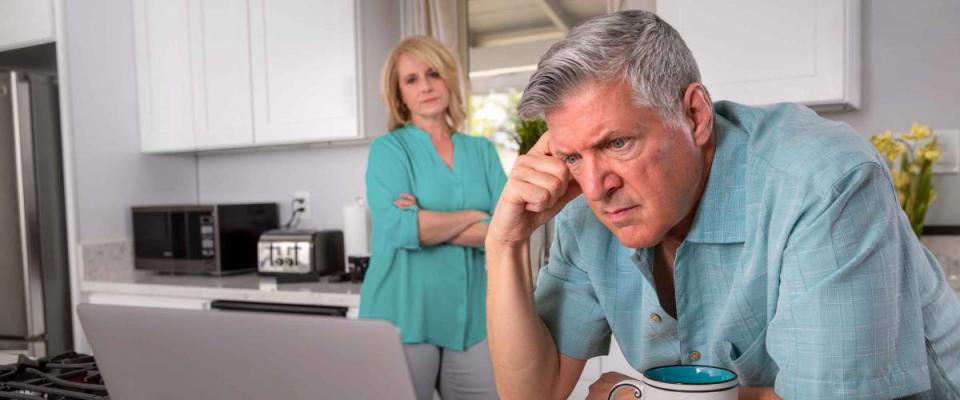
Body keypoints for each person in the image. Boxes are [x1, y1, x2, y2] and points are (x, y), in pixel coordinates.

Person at [485, 10, 960, 400]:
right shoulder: (584, 209)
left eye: (617, 143)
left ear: (694, 116)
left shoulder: (823, 181)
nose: (594, 185)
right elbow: (534, 392)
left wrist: (647, 395)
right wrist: (503, 244)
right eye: (571, 155)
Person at [360, 36, 506, 400]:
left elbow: (506, 230)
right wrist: (477, 215)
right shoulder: (389, 150)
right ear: (399, 95)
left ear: (449, 80)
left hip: (472, 319)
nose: (425, 86)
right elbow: (400, 228)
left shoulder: (482, 151)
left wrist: (427, 219)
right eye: (411, 80)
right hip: (402, 314)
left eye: (433, 74)